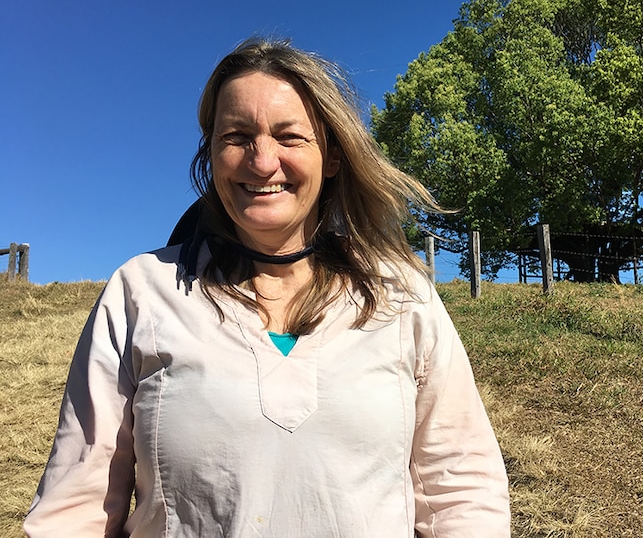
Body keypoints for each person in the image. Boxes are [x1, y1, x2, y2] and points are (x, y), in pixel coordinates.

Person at [24, 38, 511, 537]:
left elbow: (460, 489)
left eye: (289, 136)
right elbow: (76, 505)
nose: (261, 161)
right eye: (236, 136)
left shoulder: (401, 294)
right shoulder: (141, 293)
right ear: (210, 155)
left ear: (334, 156)